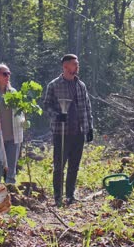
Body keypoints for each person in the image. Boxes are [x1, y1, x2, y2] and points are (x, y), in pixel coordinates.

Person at [43, 54, 94, 207]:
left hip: (78, 131)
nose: (77, 67)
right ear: (65, 67)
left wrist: (89, 127)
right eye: (74, 64)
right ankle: (58, 197)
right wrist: (57, 116)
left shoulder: (81, 85)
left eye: (77, 64)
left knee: (74, 166)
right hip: (61, 133)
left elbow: (87, 107)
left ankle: (70, 195)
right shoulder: (54, 85)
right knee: (59, 166)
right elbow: (46, 106)